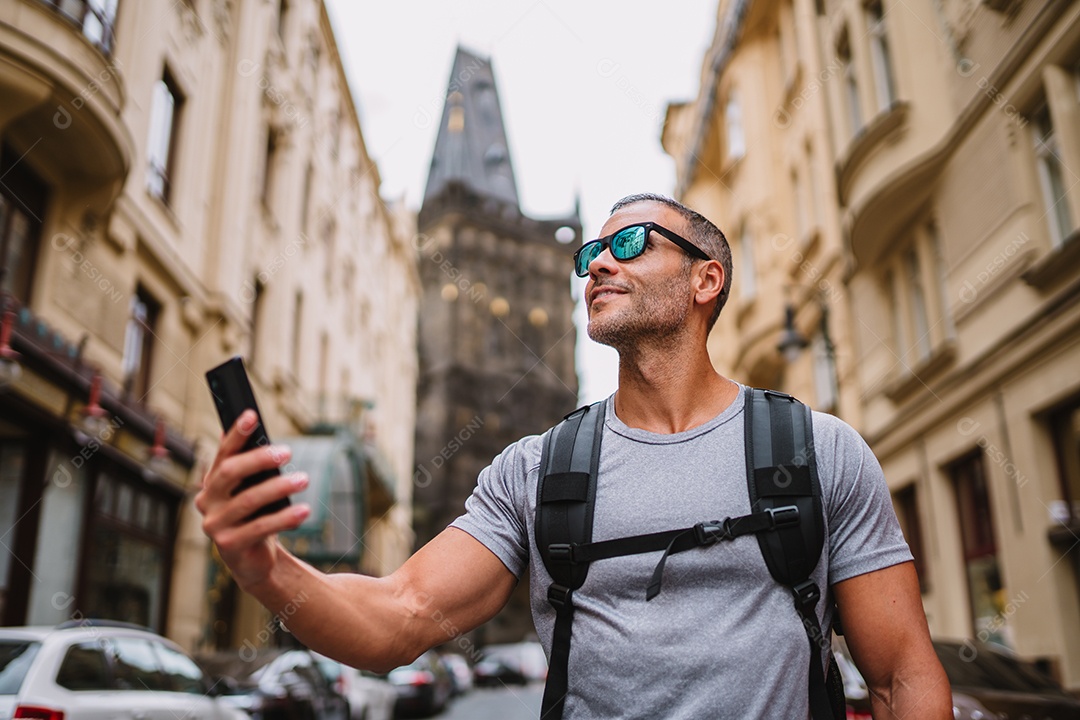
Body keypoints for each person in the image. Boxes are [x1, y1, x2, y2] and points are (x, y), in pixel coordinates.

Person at [197, 193, 951, 718]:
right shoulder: (538, 470)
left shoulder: (818, 451)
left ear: (705, 280)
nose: (597, 265)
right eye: (591, 254)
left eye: (627, 246)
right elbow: (401, 615)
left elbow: (900, 676)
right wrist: (265, 567)